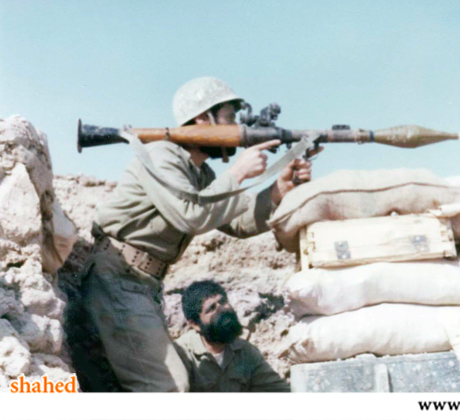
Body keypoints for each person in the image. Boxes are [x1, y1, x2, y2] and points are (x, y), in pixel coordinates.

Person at [79, 77, 312, 392]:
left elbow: (237, 224)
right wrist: (238, 173)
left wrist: (277, 191)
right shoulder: (162, 155)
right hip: (118, 277)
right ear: (203, 119)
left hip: (141, 284)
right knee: (168, 386)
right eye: (230, 118)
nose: (238, 129)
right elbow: (190, 215)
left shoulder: (199, 172)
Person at [175, 280, 290, 392]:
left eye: (223, 301)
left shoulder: (245, 351)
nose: (222, 309)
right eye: (211, 308)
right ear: (195, 324)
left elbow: (278, 389)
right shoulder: (181, 354)